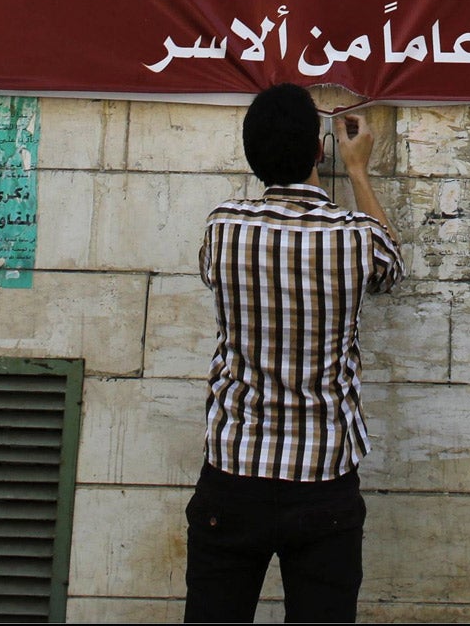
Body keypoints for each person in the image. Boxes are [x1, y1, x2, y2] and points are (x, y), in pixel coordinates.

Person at [184, 84, 403, 625]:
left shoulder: (224, 227)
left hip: (233, 472)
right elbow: (390, 267)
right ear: (319, 152)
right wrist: (358, 172)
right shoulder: (355, 238)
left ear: (251, 156)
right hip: (324, 480)